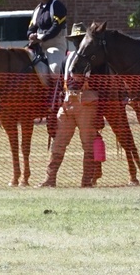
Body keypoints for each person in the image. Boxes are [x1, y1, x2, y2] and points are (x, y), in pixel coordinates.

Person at [40, 22, 99, 188]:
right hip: (67, 103)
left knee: (87, 143)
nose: (77, 42)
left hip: (86, 104)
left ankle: (86, 181)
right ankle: (50, 179)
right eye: (75, 39)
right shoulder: (67, 58)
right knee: (58, 142)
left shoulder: (94, 60)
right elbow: (60, 83)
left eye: (80, 39)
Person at [26, 0, 68, 81]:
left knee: (55, 69)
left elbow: (56, 27)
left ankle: (59, 94)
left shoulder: (57, 5)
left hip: (55, 45)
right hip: (38, 46)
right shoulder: (37, 10)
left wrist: (42, 38)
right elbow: (31, 28)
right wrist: (31, 35)